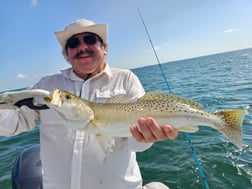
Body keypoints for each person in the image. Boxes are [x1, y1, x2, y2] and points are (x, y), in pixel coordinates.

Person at [0, 19, 178, 189]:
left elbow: (137, 145)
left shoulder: (126, 79)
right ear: (66, 55)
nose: (82, 47)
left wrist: (146, 137)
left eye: (90, 39)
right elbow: (15, 122)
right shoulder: (47, 87)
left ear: (104, 47)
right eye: (73, 43)